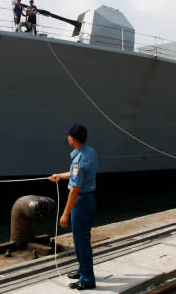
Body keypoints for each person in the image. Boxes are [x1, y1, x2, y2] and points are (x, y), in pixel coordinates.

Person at [49, 124, 98, 290]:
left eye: (69, 136)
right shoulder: (90, 152)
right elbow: (77, 174)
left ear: (72, 139)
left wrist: (65, 214)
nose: (67, 138)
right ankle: (82, 269)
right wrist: (60, 176)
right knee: (83, 239)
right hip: (89, 199)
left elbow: (75, 190)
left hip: (81, 202)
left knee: (81, 241)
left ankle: (87, 280)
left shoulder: (78, 160)